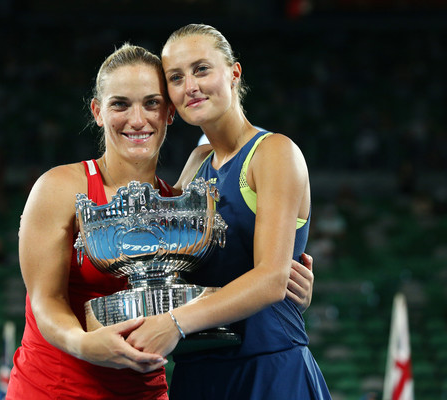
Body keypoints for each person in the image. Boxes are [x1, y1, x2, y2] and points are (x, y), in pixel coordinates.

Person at [7, 43, 314, 399]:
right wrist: (83, 343)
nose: (137, 120)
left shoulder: (178, 200)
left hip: (146, 388)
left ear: (169, 113)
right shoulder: (59, 187)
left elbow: (216, 274)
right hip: (55, 386)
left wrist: (286, 290)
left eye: (151, 103)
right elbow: (45, 300)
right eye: (120, 104)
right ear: (98, 111)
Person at [126, 24, 331, 399]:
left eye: (201, 69)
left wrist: (174, 323)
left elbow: (271, 280)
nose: (190, 85)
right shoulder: (197, 162)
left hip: (269, 371)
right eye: (176, 77)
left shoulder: (274, 153)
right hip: (198, 371)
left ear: (234, 73)